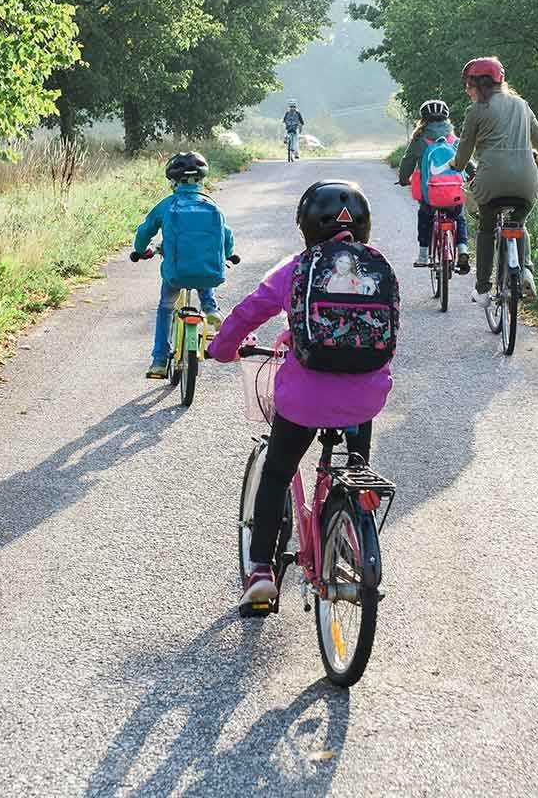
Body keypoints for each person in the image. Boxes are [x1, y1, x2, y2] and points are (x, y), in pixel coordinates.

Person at [207, 181, 394, 607]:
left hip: (304, 400)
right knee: (355, 466)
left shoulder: (296, 268)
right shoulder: (378, 267)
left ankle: (260, 573)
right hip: (366, 396)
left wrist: (222, 350)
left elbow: (248, 310)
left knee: (276, 471)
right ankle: (349, 528)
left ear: (306, 226)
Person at [449, 56, 538, 302]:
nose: (467, 90)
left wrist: (455, 164)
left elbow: (463, 153)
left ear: (480, 85)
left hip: (491, 183)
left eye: (469, 84)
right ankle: (525, 270)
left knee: (486, 229)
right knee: (518, 223)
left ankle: (483, 288)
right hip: (526, 183)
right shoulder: (522, 105)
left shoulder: (475, 111)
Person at [132, 151, 235, 379]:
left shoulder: (167, 205)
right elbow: (226, 236)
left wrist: (140, 251)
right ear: (202, 179)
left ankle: (159, 360)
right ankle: (210, 308)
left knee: (165, 308)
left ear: (173, 181)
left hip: (175, 274)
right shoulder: (212, 205)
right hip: (207, 273)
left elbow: (144, 230)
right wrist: (230, 254)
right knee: (203, 273)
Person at [397, 98, 471, 273]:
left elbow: (408, 162)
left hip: (430, 195)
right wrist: (473, 176)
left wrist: (403, 179)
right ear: (446, 119)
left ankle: (423, 254)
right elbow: (469, 162)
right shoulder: (454, 140)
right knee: (459, 217)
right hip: (454, 193)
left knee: (425, 216)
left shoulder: (419, 140)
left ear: (423, 120)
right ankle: (462, 249)